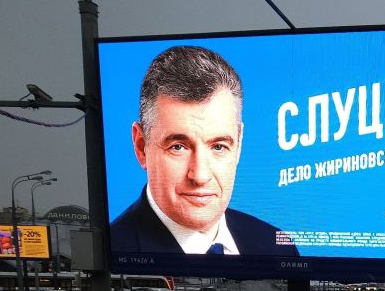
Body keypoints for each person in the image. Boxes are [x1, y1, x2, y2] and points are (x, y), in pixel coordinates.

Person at [110, 45, 299, 257]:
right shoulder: (112, 250)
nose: (200, 176)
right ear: (141, 146)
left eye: (218, 146)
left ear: (239, 145)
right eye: (178, 147)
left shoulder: (277, 245)